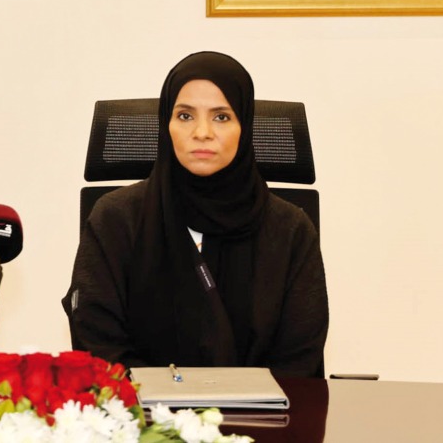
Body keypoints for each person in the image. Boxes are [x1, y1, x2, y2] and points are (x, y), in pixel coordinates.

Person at [62, 51, 328, 377]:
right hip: (138, 406)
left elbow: (299, 358)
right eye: (185, 116)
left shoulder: (290, 230)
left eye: (222, 117)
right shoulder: (116, 219)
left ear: (244, 126)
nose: (202, 132)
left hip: (266, 408)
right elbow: (96, 343)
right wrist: (165, 402)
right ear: (166, 124)